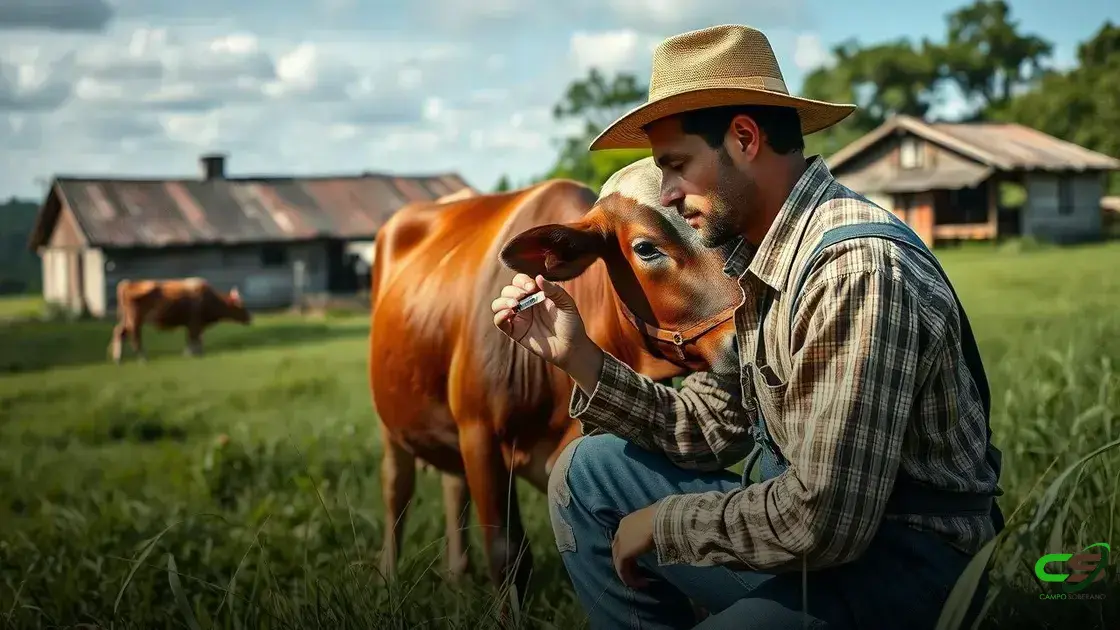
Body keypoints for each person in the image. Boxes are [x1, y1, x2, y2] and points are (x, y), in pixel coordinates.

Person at [490, 24, 1004, 630]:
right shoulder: (758, 260)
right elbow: (707, 426)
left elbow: (823, 521)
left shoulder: (854, 272)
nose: (669, 193)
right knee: (587, 472)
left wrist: (664, 524)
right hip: (823, 549)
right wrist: (578, 356)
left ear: (743, 138)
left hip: (906, 567)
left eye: (676, 166)